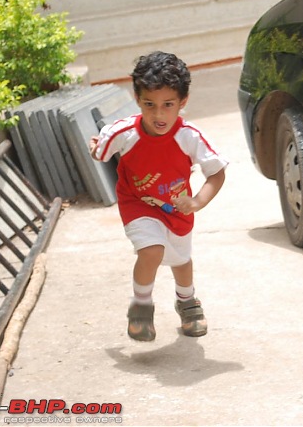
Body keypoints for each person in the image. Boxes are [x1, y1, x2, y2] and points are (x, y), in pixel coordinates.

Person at [89, 51, 228, 341]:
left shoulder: (190, 136)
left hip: (177, 209)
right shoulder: (124, 132)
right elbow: (100, 151)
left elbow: (216, 174)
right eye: (149, 105)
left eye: (168, 105)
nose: (158, 114)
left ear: (183, 102)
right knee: (152, 250)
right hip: (137, 204)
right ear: (137, 99)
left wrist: (197, 202)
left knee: (181, 260)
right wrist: (96, 147)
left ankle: (187, 301)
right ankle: (140, 307)